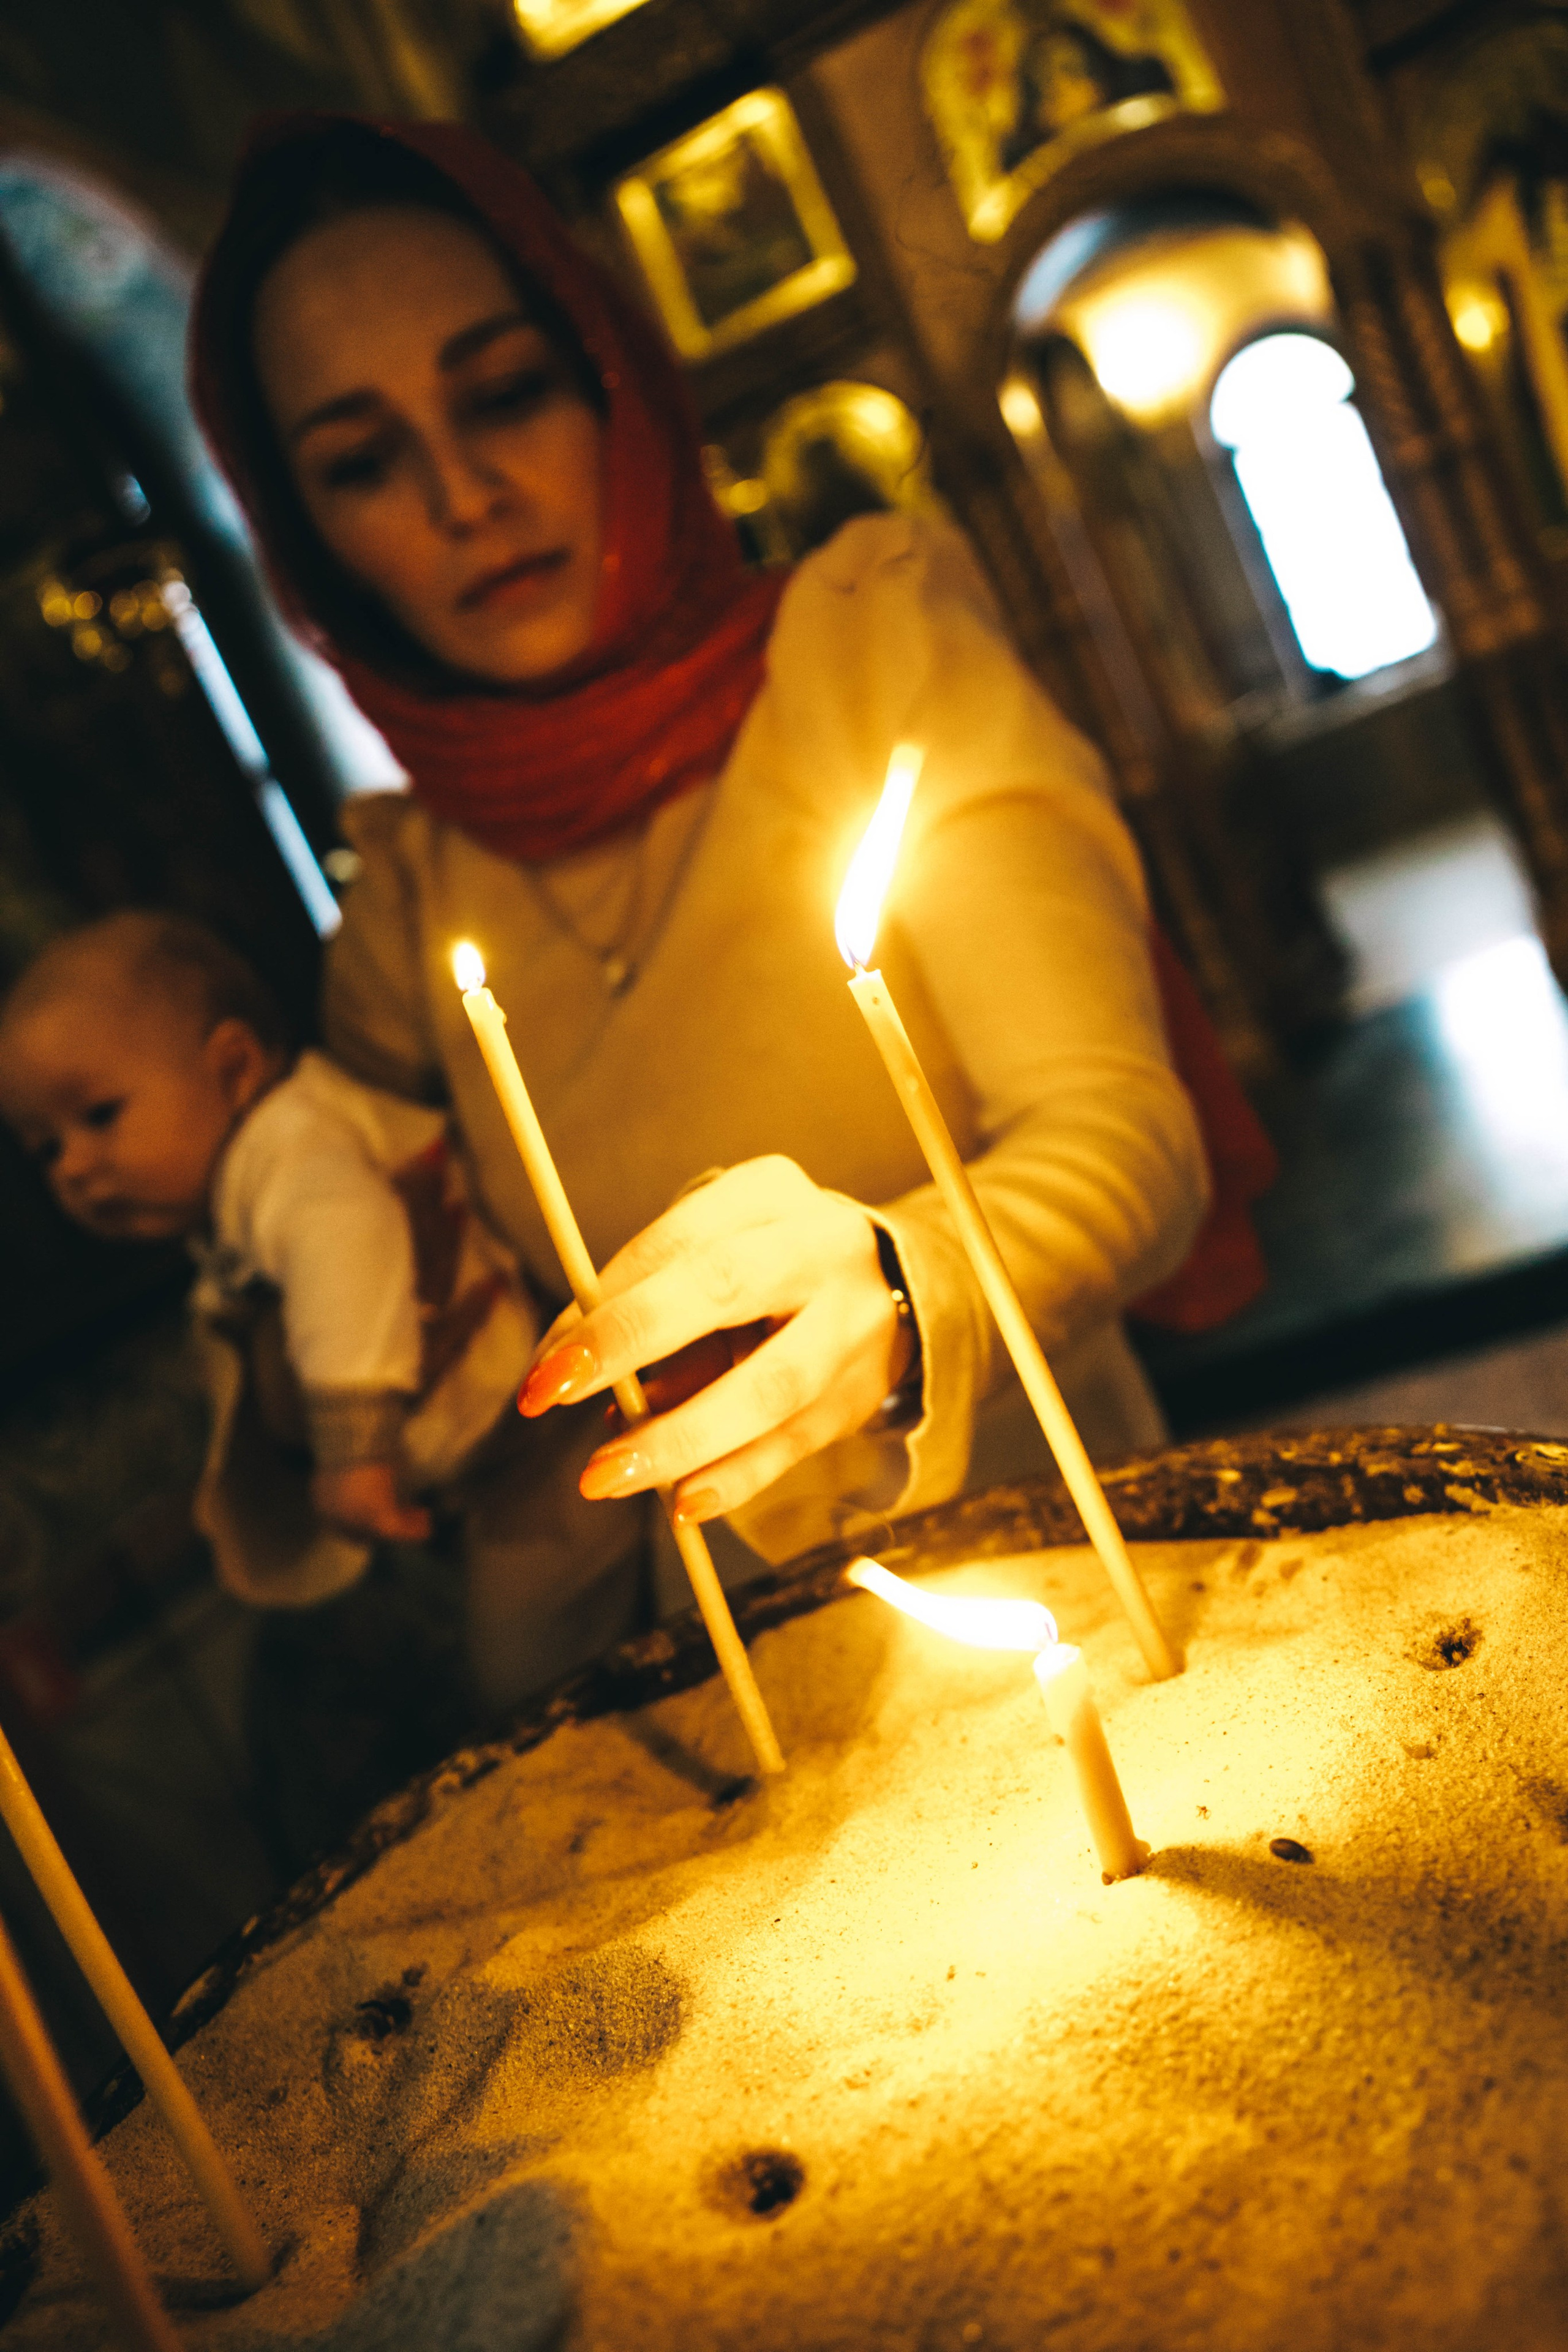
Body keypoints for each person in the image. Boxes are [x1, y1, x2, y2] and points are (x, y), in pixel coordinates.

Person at [190, 115, 1229, 1663]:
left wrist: (899, 1282)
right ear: (305, 544)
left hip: (1039, 1570)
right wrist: (299, 1356)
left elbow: (1121, 1132)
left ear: (609, 380)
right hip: (693, 1668)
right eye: (360, 460)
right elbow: (381, 1284)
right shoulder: (411, 887)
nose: (465, 492)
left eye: (504, 393)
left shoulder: (869, 649)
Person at [0, 912, 616, 1700]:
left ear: (234, 1068)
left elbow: (349, 1240)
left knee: (533, 1666)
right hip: (491, 1454)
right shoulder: (244, 1187)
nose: (75, 1168)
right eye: (44, 1148)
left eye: (99, 1116)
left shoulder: (291, 1150)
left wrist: (352, 1447)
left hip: (537, 1439)